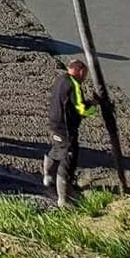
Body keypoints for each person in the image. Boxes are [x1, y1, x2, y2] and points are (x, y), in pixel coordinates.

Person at [44, 57, 95, 207]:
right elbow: (82, 109)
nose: (84, 78)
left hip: (54, 124)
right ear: (80, 71)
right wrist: (94, 107)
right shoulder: (74, 85)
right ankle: (64, 198)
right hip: (66, 129)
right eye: (85, 75)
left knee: (55, 150)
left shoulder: (60, 79)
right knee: (67, 158)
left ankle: (48, 178)